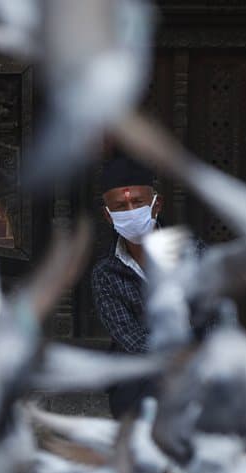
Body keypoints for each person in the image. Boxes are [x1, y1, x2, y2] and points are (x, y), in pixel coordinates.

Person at [90, 154, 166, 418]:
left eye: (137, 202)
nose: (130, 211)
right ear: (109, 216)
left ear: (156, 206)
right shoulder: (105, 274)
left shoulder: (192, 253)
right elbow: (130, 337)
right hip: (137, 375)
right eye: (120, 206)